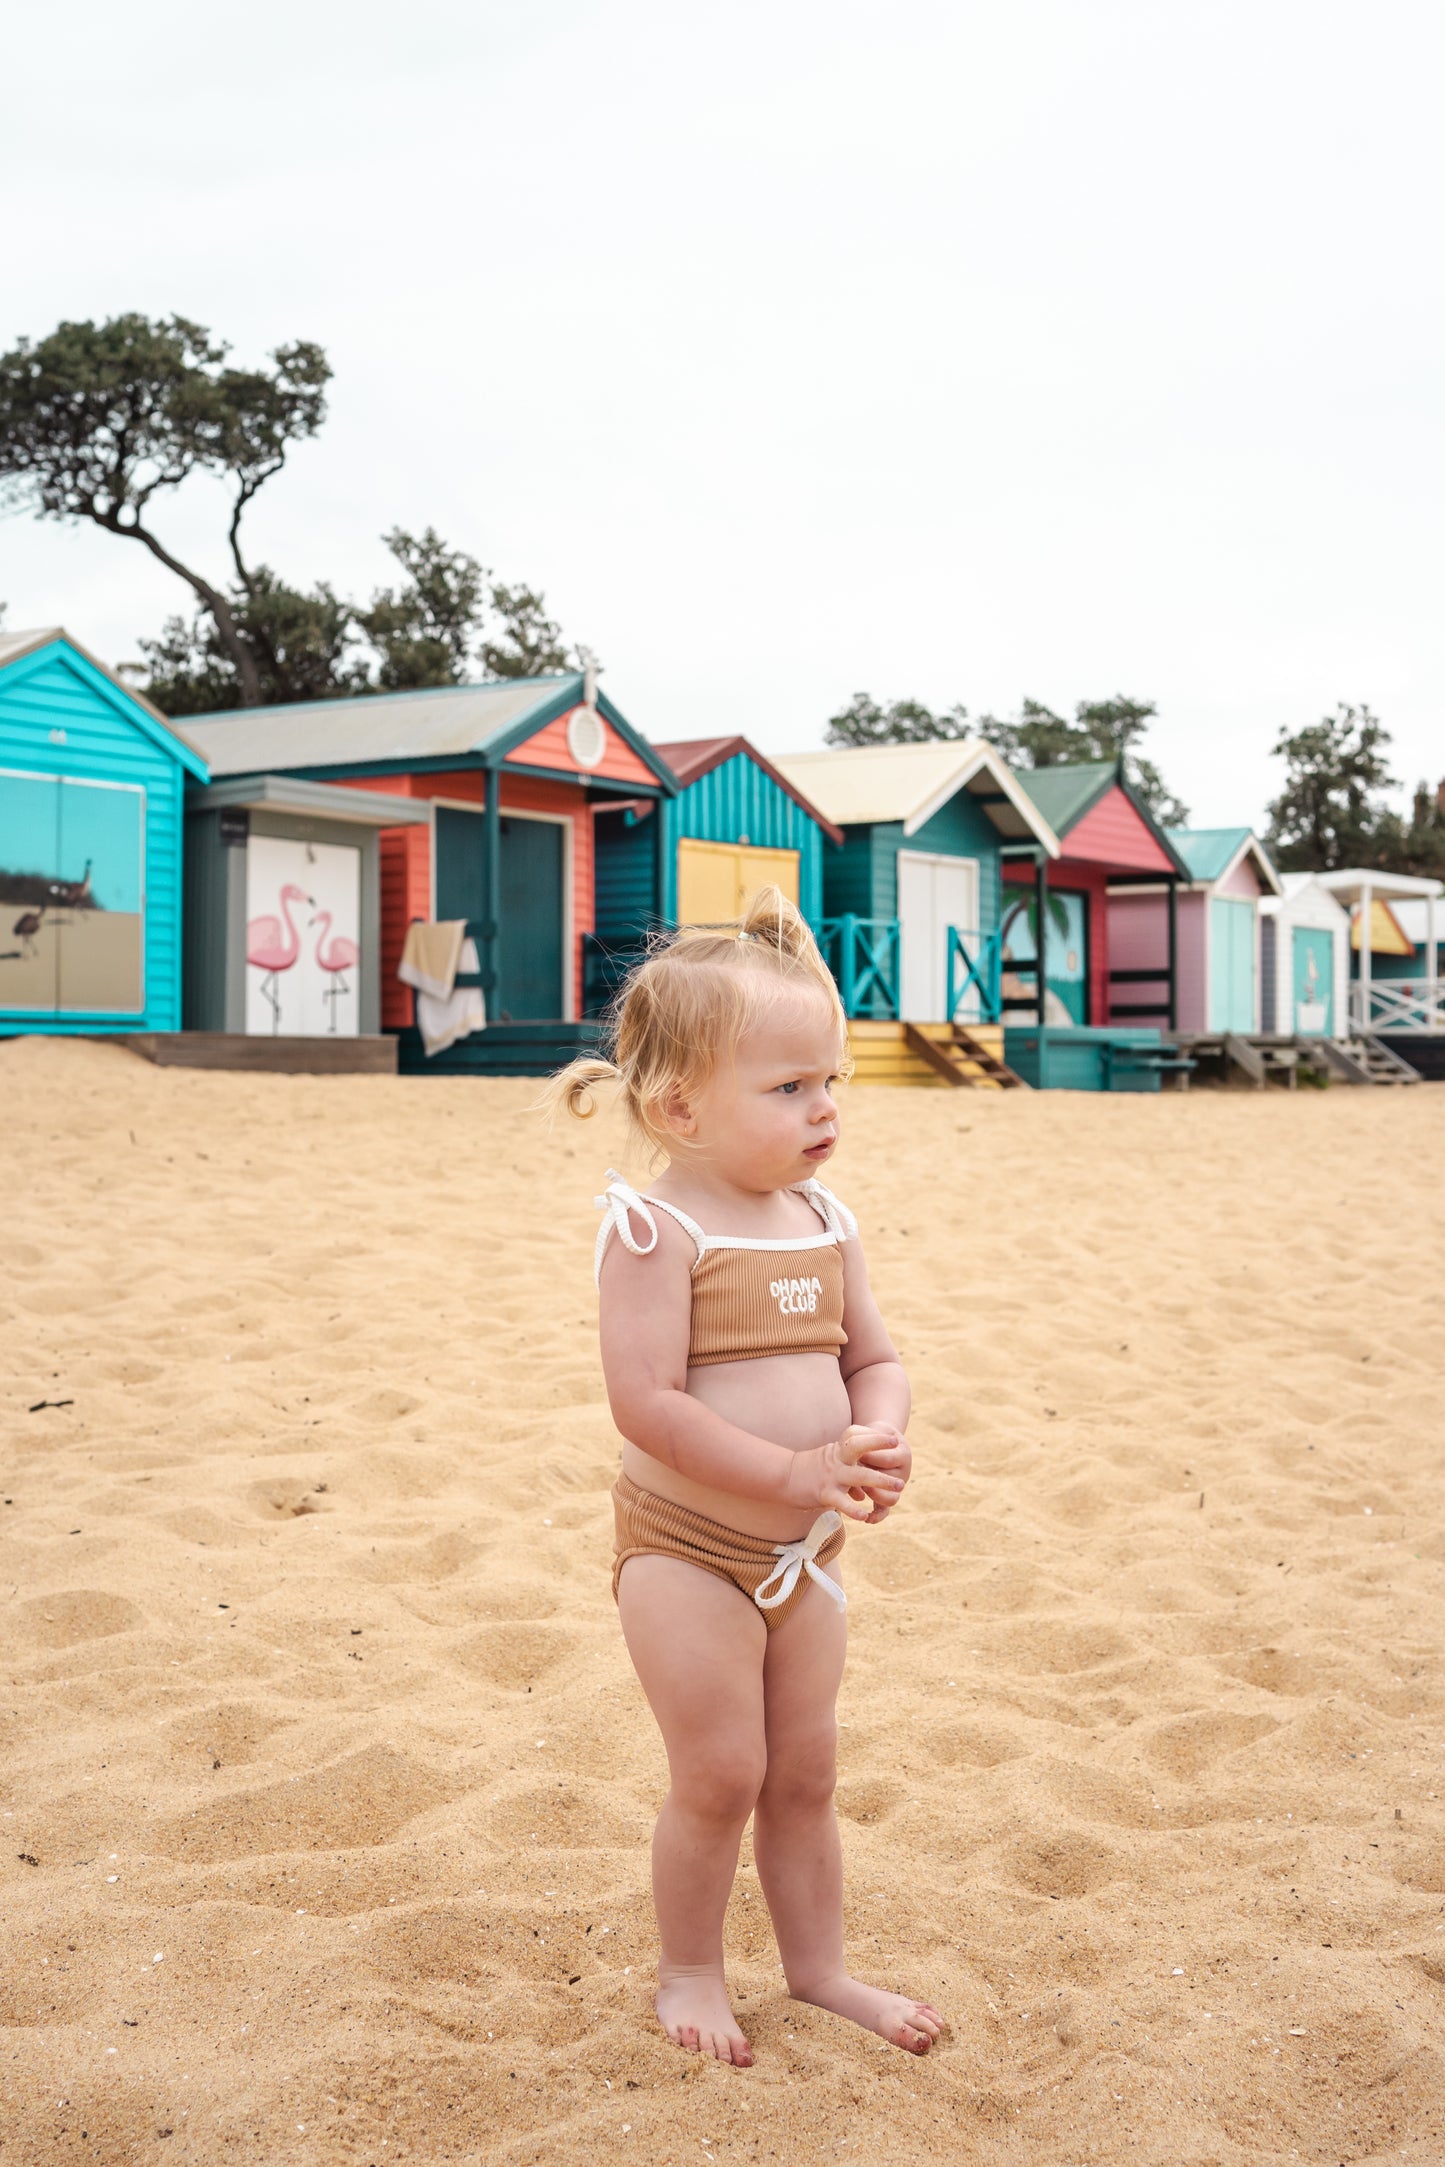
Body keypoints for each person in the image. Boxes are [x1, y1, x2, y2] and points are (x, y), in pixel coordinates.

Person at [543, 888, 944, 2067]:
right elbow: (648, 1405)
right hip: (686, 1551)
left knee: (806, 1772)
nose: (822, 1109)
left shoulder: (822, 1216)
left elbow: (873, 1355)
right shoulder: (655, 1230)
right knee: (721, 1772)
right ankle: (690, 1968)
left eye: (829, 1082)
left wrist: (876, 1432)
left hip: (804, 1553)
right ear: (678, 1106)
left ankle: (817, 1969)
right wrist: (792, 1463)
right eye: (787, 1089)